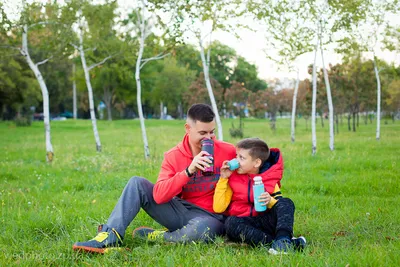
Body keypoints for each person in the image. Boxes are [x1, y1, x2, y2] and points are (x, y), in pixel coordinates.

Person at [73, 103, 236, 253]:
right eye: (202, 133)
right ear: (188, 128)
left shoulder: (228, 151)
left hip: (211, 217)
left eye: (212, 132)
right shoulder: (174, 156)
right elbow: (158, 196)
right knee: (136, 183)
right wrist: (188, 171)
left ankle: (161, 237)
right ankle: (110, 235)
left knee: (203, 229)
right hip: (181, 211)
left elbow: (253, 167)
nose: (209, 138)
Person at [213, 137, 306, 254]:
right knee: (230, 223)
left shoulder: (269, 179)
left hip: (265, 221)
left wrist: (270, 201)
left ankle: (283, 238)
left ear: (257, 162)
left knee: (287, 202)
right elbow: (218, 208)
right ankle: (283, 244)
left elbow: (281, 209)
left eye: (241, 158)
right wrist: (223, 178)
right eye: (236, 156)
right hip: (245, 223)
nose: (236, 161)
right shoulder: (232, 178)